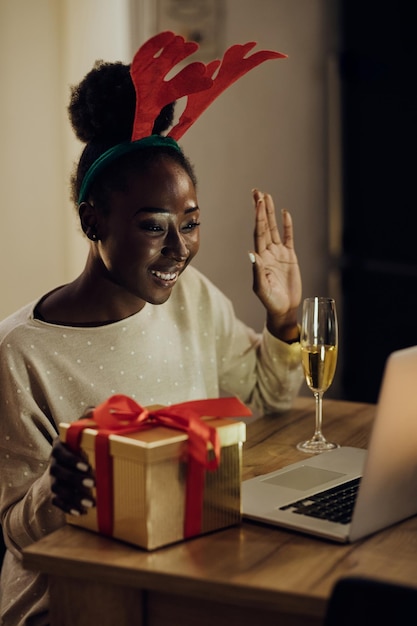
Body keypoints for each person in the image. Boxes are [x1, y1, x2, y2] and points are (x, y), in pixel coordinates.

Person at [0, 32, 303, 626]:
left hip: (182, 574)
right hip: (70, 602)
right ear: (94, 220)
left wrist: (284, 319)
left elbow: (265, 398)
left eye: (190, 224)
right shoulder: (21, 352)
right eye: (153, 226)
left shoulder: (189, 298)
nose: (178, 250)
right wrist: (57, 490)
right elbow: (16, 533)